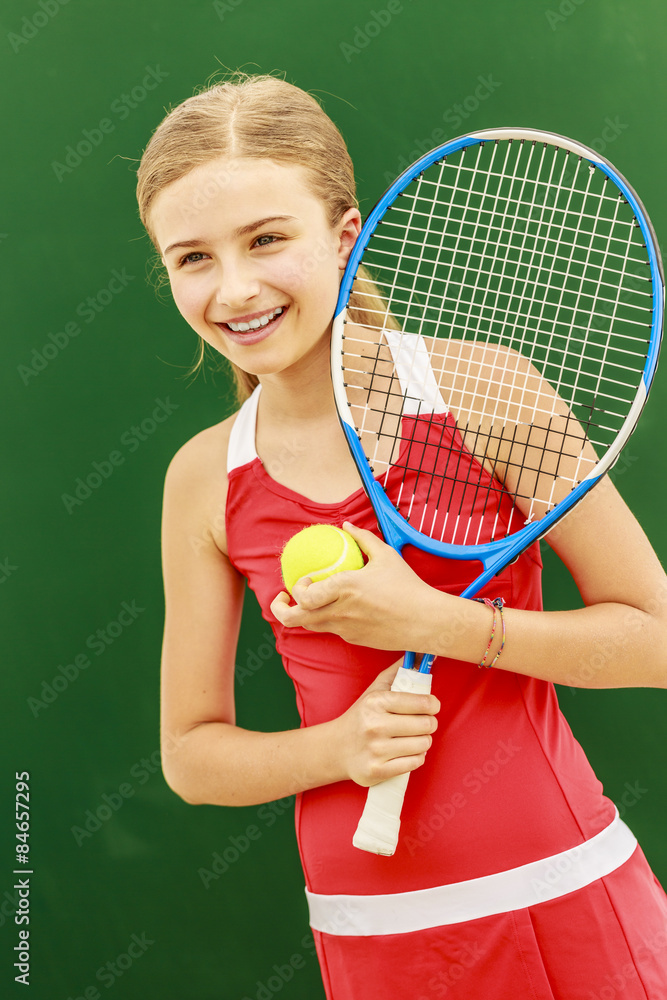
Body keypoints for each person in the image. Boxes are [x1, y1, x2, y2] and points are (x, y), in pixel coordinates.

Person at [136, 73, 667, 999]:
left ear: (344, 236)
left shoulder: (486, 394)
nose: (235, 287)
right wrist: (336, 751)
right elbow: (191, 755)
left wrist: (438, 622)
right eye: (193, 258)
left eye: (267, 240)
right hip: (370, 939)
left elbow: (657, 643)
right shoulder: (202, 480)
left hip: (562, 904)